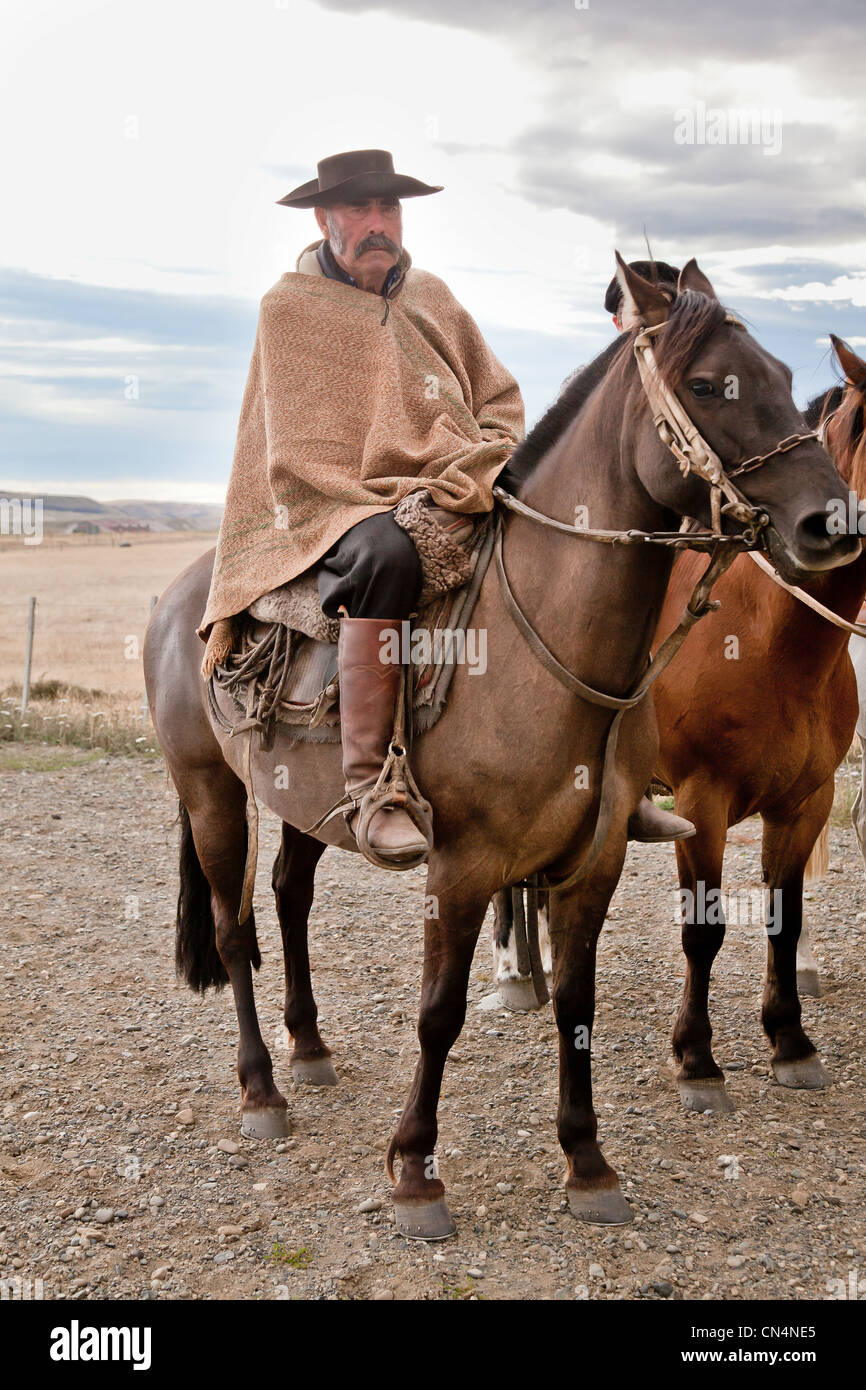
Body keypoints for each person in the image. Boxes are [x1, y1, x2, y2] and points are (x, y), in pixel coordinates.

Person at [198, 149, 525, 869]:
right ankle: (374, 788)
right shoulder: (288, 309)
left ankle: (598, 755)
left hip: (453, 478)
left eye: (389, 209)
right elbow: (293, 448)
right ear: (324, 218)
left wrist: (489, 453)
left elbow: (497, 397)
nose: (378, 223)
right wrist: (389, 495)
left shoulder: (432, 297)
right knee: (387, 555)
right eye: (359, 209)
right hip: (331, 501)